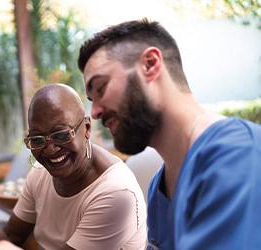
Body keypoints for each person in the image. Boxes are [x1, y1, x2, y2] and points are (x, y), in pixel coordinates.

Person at [77, 18, 261, 249]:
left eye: (101, 87)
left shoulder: (236, 156)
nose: (94, 113)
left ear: (150, 64)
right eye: (91, 101)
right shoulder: (158, 187)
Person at [0, 83, 147, 250]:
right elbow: (12, 234)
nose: (49, 149)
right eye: (37, 139)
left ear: (86, 128)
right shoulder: (40, 174)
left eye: (61, 135)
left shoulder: (115, 193)